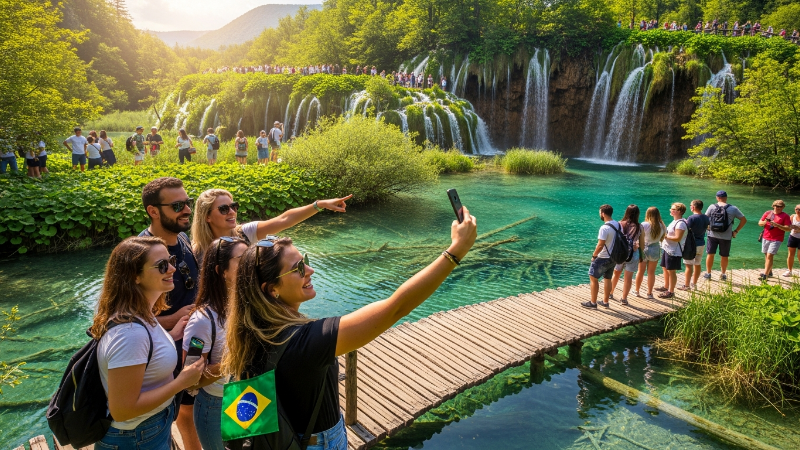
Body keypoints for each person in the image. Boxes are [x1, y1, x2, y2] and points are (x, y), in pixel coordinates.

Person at [222, 208, 477, 449]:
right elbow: (395, 308)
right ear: (271, 289)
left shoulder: (251, 332)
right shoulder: (304, 342)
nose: (310, 270)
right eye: (298, 268)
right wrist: (456, 251)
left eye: (306, 260)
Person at [91, 236, 205, 450]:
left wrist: (171, 336)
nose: (172, 268)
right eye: (162, 265)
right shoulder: (129, 334)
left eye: (170, 260)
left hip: (149, 427)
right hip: (134, 437)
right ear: (135, 276)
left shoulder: (141, 315)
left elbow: (141, 358)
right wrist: (180, 382)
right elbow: (123, 410)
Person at [138, 177, 203, 450]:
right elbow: (127, 321)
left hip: (194, 345)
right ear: (154, 211)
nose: (187, 209)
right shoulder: (140, 254)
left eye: (187, 203)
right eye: (177, 205)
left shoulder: (184, 239)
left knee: (197, 405)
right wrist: (174, 319)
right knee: (177, 413)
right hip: (165, 357)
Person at [182, 237, 247, 450]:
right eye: (242, 259)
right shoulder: (202, 321)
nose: (251, 264)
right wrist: (236, 359)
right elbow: (191, 380)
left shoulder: (249, 307)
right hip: (216, 405)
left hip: (249, 394)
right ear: (221, 271)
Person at [189, 188, 353, 259]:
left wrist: (319, 204)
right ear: (206, 217)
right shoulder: (196, 252)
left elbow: (284, 219)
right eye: (224, 209)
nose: (232, 212)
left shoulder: (245, 233)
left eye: (233, 206)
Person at [704, 190, 746, 281]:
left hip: (712, 235)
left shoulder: (712, 206)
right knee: (724, 256)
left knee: (710, 254)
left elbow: (705, 218)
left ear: (717, 198)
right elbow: (743, 220)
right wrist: (736, 231)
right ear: (726, 198)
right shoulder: (733, 208)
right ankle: (723, 274)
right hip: (726, 237)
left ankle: (708, 273)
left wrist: (707, 227)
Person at [583, 204, 619, 309]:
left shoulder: (604, 228)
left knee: (593, 278)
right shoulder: (617, 224)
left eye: (600, 213)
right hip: (613, 257)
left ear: (603, 213)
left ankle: (593, 303)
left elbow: (600, 244)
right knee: (607, 278)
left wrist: (594, 256)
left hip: (603, 257)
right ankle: (605, 301)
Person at [609, 205, 645, 305]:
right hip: (633, 254)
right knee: (628, 278)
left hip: (620, 253)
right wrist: (641, 253)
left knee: (616, 273)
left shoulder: (619, 224)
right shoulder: (639, 226)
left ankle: (610, 293)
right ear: (637, 214)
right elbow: (642, 244)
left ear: (626, 212)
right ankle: (624, 299)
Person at [657, 203, 687, 299]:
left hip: (674, 251)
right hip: (668, 249)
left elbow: (677, 238)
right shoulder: (675, 221)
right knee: (665, 268)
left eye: (673, 209)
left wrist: (664, 236)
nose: (671, 210)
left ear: (679, 211)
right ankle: (666, 287)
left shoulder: (681, 223)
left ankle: (671, 291)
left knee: (671, 271)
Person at [635, 207, 666, 299]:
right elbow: (662, 238)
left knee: (640, 271)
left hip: (644, 247)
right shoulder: (662, 225)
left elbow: (638, 236)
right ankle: (649, 293)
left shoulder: (644, 224)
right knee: (651, 273)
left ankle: (636, 291)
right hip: (656, 248)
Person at [679, 200, 710, 290]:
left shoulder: (691, 218)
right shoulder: (706, 217)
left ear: (693, 207)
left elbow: (686, 230)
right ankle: (694, 284)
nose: (690, 207)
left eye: (690, 205)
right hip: (701, 243)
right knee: (697, 264)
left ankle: (687, 285)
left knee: (688, 265)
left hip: (691, 245)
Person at [758, 200, 791, 280]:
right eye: (776, 206)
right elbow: (760, 223)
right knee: (767, 255)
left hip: (777, 238)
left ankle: (765, 275)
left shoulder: (785, 216)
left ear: (783, 207)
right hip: (766, 236)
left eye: (780, 206)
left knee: (770, 255)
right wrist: (765, 222)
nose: (777, 208)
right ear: (773, 206)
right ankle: (769, 271)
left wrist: (777, 225)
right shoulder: (768, 213)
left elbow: (788, 228)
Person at [784, 204, 800, 277]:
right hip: (793, 236)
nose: (798, 211)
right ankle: (789, 270)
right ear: (795, 209)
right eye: (797, 209)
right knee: (790, 254)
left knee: (799, 255)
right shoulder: (792, 216)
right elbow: (788, 227)